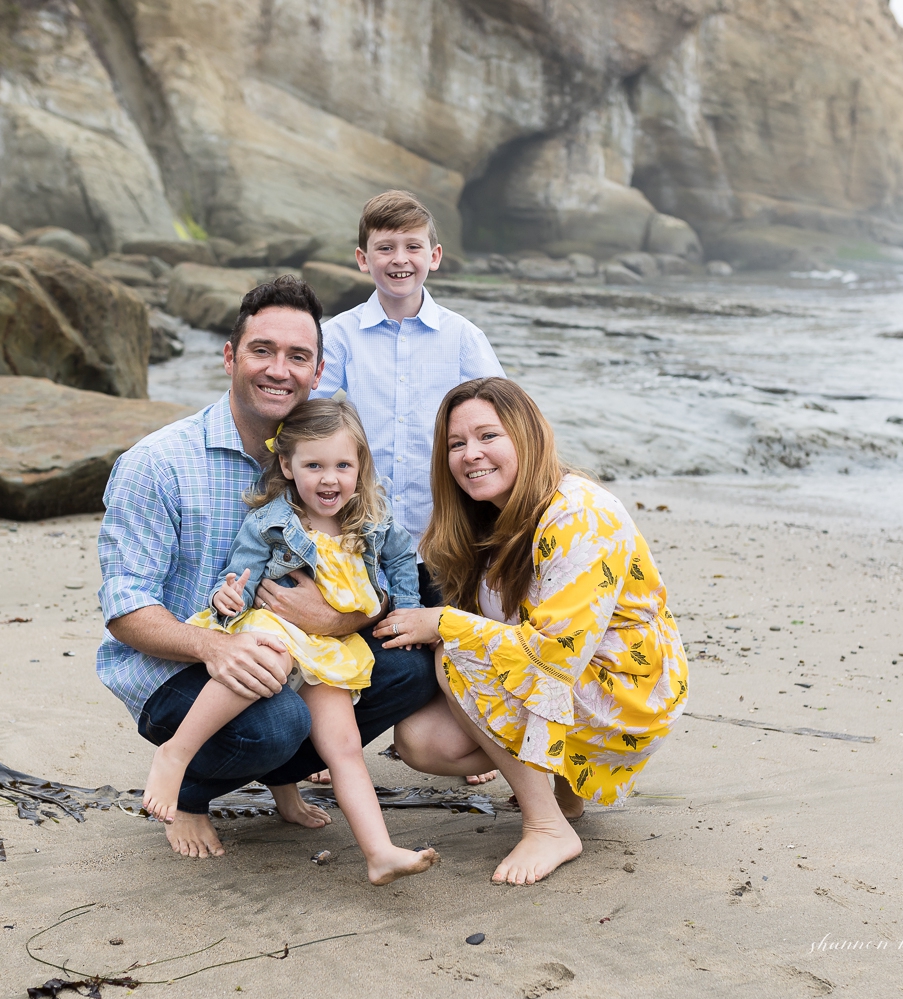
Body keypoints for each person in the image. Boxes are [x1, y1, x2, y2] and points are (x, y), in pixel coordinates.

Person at [96, 276, 447, 860]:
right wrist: (214, 648)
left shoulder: (327, 458)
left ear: (318, 369)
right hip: (176, 669)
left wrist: (347, 617)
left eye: (297, 357)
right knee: (274, 721)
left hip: (293, 650)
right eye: (262, 350)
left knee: (406, 674)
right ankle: (191, 790)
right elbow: (126, 610)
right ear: (230, 356)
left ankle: (283, 779)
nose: (279, 370)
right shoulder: (156, 465)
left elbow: (375, 561)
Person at [375, 377, 691, 886]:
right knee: (422, 741)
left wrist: (443, 623)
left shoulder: (579, 514)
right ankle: (566, 792)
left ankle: (547, 825)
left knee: (456, 649)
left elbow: (554, 654)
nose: (470, 454)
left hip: (629, 692)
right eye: (456, 444)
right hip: (578, 681)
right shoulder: (486, 519)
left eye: (488, 436)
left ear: (527, 435)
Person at [140, 398, 438, 885]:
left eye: (343, 465)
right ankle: (174, 755)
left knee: (342, 746)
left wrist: (404, 607)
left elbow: (406, 557)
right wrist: (227, 596)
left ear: (360, 465)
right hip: (275, 628)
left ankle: (379, 852)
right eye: (314, 465)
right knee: (269, 662)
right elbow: (239, 575)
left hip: (329, 648)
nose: (329, 479)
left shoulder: (372, 522)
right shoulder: (270, 522)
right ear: (287, 465)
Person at [308, 189, 505, 787]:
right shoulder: (338, 336)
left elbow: (502, 420)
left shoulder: (462, 338)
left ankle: (473, 731)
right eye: (384, 248)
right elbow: (314, 423)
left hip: (443, 529)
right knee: (351, 639)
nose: (400, 258)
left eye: (412, 246)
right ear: (361, 260)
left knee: (450, 636)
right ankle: (327, 745)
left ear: (435, 255)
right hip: (361, 533)